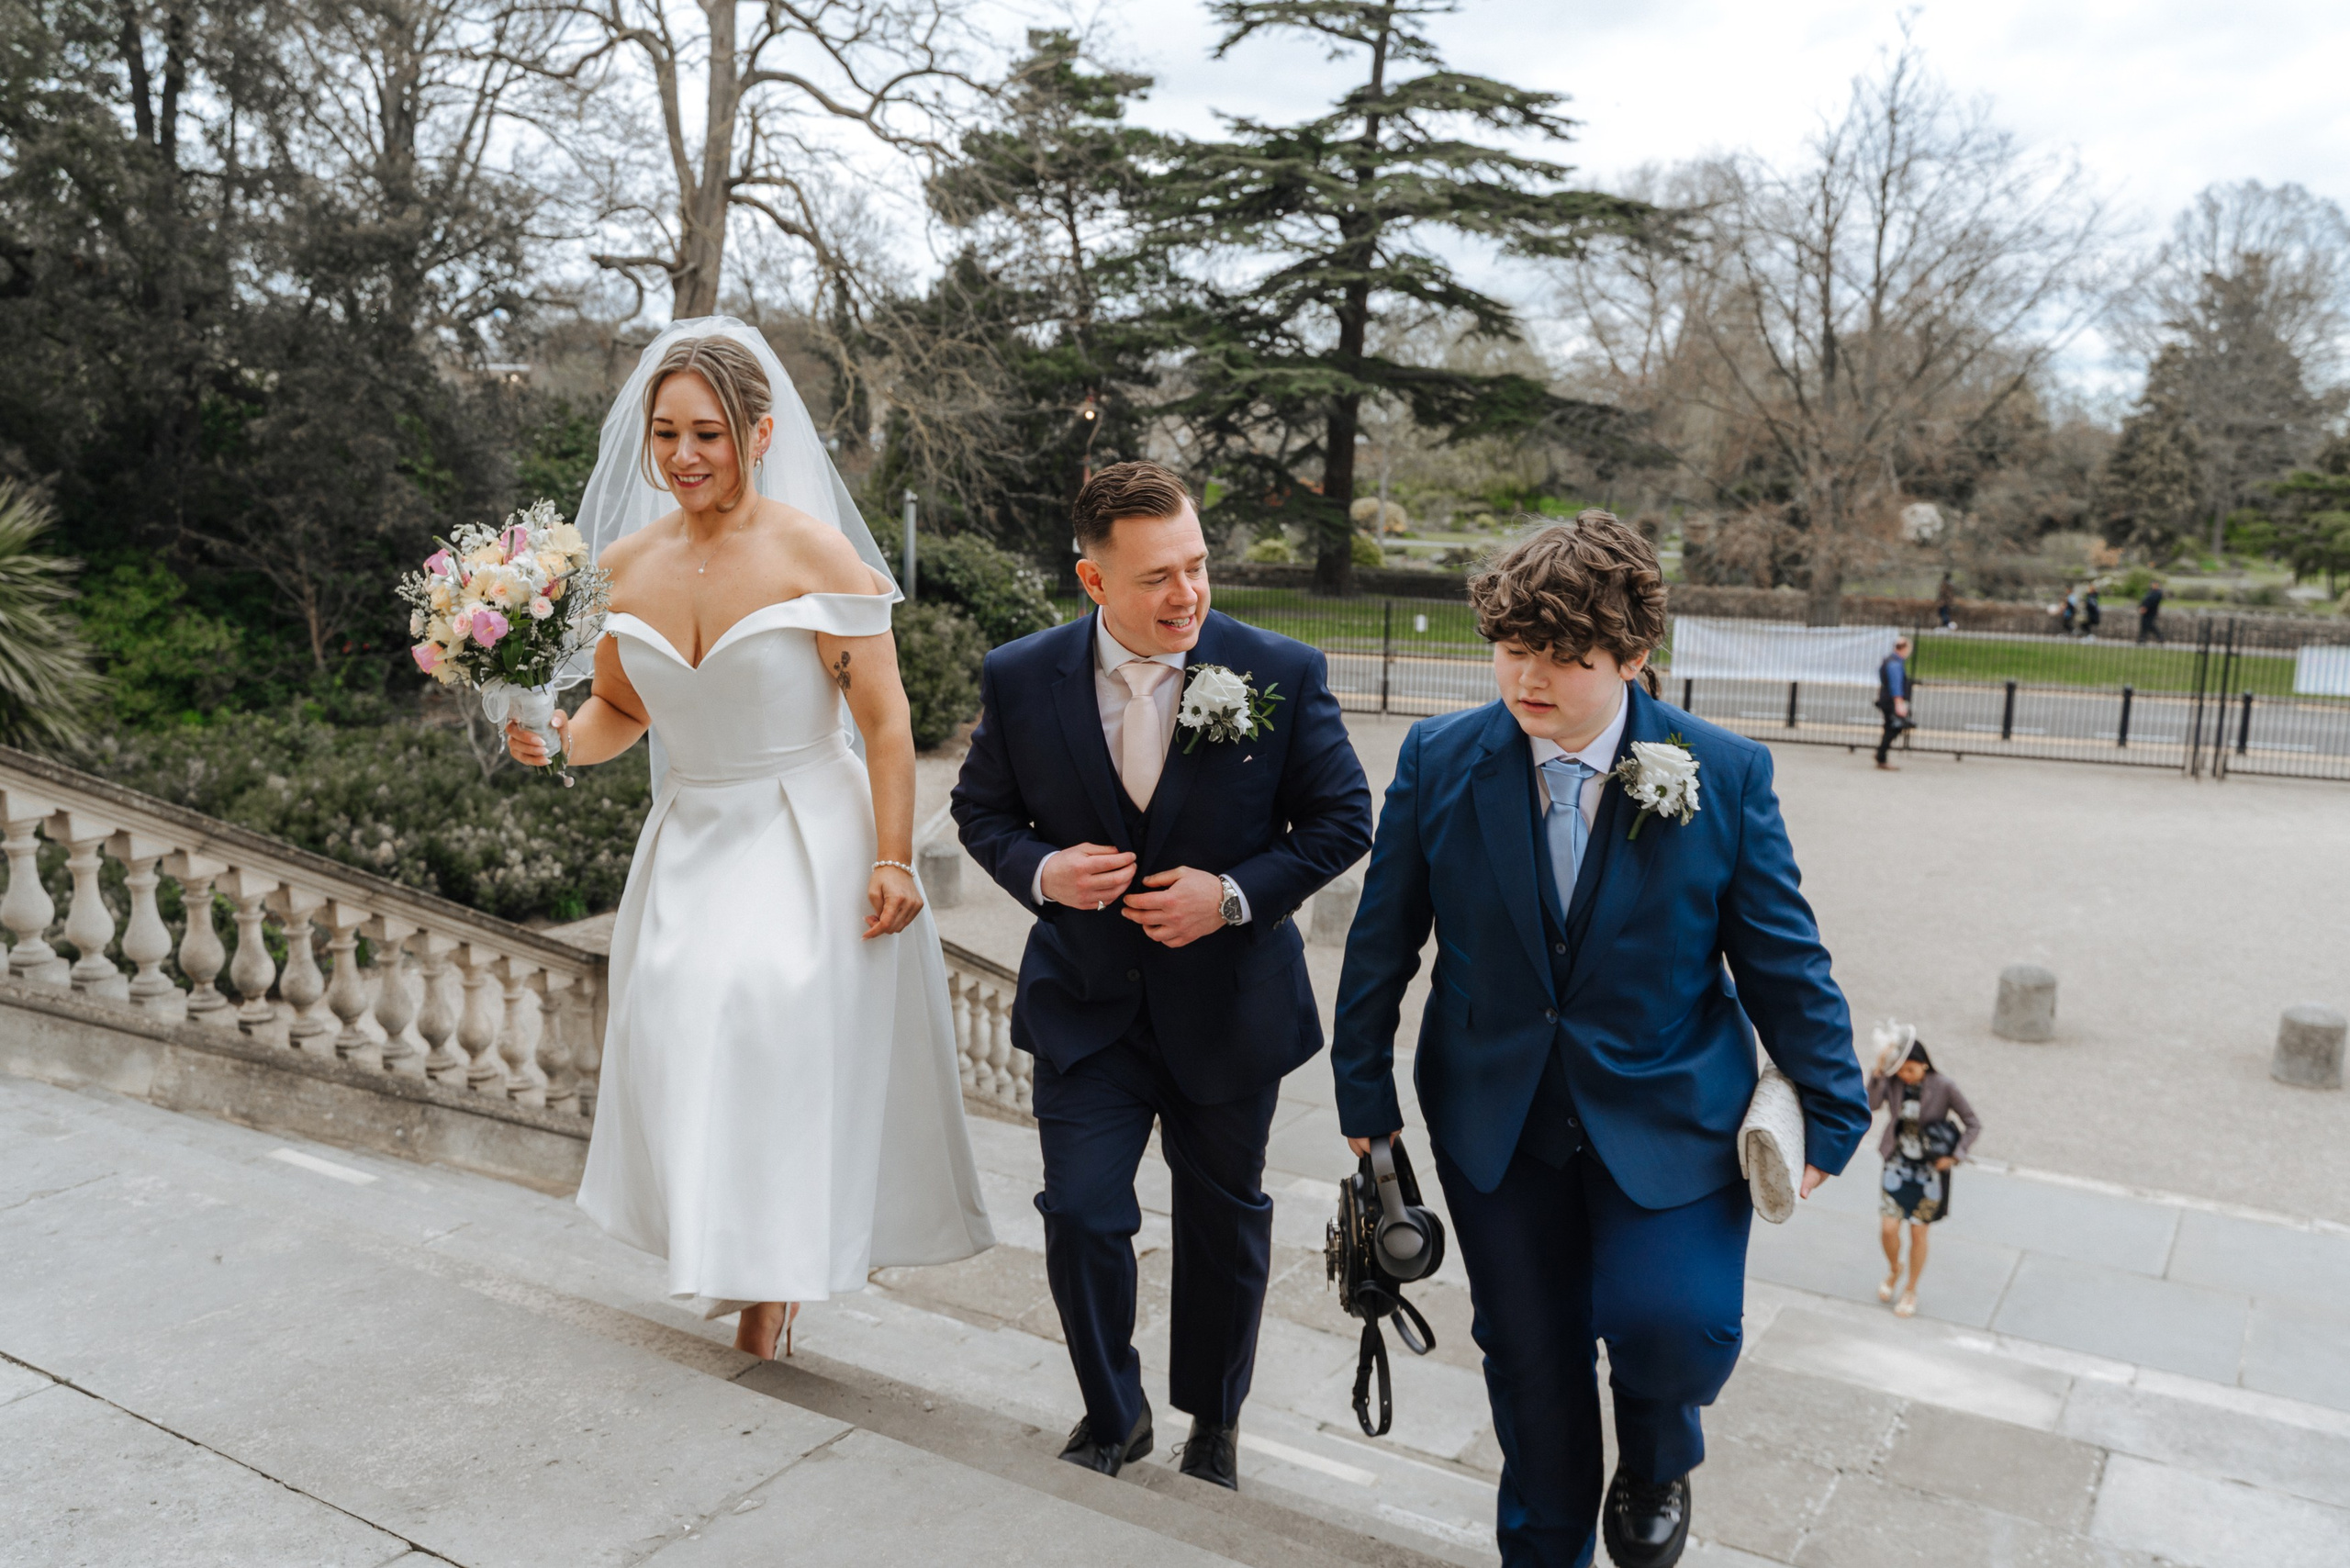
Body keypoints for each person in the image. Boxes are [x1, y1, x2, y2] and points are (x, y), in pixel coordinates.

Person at [1329, 513, 1870, 1568]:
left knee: (1678, 1327)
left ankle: (1658, 1454)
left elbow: (1782, 959)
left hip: (1673, 1114)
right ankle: (1544, 1545)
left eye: (1563, 657)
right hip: (1495, 1118)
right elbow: (1380, 938)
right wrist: (1364, 1099)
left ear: (1630, 657)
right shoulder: (1439, 757)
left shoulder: (1723, 772)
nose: (1528, 677)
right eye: (1512, 647)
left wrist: (1835, 1108)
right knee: (1531, 1361)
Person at [504, 319, 992, 1361]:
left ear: (759, 435)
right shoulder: (621, 567)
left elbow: (886, 724)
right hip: (691, 835)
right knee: (683, 1029)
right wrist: (549, 743)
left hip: (806, 829)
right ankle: (738, 1260)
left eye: (709, 434)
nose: (684, 455)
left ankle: (771, 1293)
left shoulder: (820, 557)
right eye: (667, 433)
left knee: (762, 1020)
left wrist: (896, 857)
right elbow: (617, 714)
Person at [952, 461, 1372, 1491]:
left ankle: (1213, 1421)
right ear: (1094, 583)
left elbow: (1341, 820)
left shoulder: (1280, 669)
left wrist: (1229, 894)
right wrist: (1044, 871)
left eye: (1197, 565)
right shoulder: (1019, 675)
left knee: (1224, 1221)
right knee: (1083, 1212)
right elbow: (981, 813)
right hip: (1085, 1005)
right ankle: (1113, 1409)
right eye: (1156, 578)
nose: (1187, 594)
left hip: (1229, 1010)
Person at [1867, 1034, 1981, 1319]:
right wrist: (1879, 1071)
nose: (1905, 1076)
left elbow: (1973, 1123)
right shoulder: (1893, 1082)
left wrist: (1956, 1155)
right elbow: (1870, 1105)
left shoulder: (1944, 1087)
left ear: (1924, 1065)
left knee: (1918, 1232)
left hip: (1929, 1172)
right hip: (1897, 1166)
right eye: (1901, 1070)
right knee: (1889, 1229)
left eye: (1910, 1070)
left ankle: (1910, 1289)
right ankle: (1895, 1269)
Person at [1874, 635, 1912, 770]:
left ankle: (1881, 754)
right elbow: (1895, 685)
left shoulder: (1889, 660)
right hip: (1890, 700)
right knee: (1893, 727)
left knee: (1890, 726)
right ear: (1904, 648)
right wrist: (1899, 704)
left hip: (1885, 698)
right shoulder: (1895, 663)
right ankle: (1881, 755)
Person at [2138, 579, 2166, 643]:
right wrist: (2141, 607)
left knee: (2149, 625)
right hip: (2145, 611)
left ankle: (2160, 637)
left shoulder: (2158, 593)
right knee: (2144, 625)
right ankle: (2142, 638)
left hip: (2151, 611)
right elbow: (2145, 600)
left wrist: (2146, 608)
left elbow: (2152, 602)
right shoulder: (2151, 592)